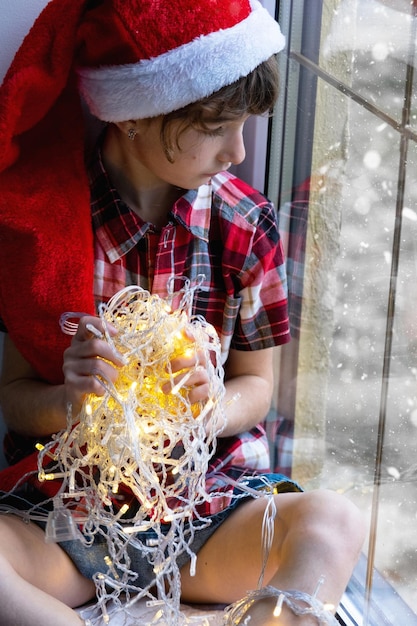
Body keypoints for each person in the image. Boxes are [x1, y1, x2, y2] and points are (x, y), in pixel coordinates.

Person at [0, 1, 366, 624]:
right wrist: (69, 398)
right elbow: (14, 394)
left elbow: (259, 386)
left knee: (334, 522)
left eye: (245, 126)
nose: (238, 150)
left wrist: (211, 406)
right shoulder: (49, 225)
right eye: (218, 126)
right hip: (68, 515)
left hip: (208, 513)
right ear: (139, 114)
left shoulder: (246, 226)